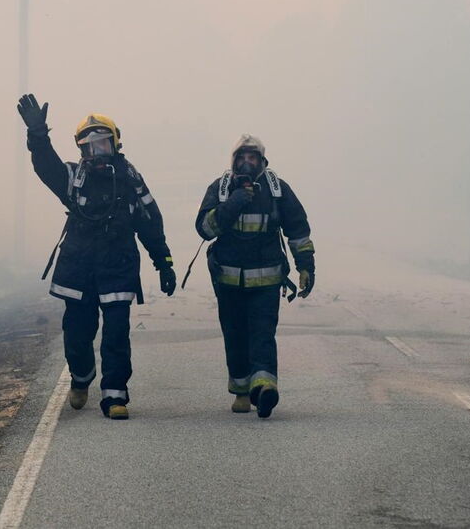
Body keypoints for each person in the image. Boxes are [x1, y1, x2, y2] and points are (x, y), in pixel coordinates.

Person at [16, 94, 176, 420]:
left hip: (118, 267)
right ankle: (81, 376)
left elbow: (150, 222)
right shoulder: (74, 178)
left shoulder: (131, 180)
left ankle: (115, 396)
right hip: (79, 269)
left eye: (103, 144)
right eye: (90, 147)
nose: (97, 151)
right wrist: (37, 135)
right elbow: (45, 166)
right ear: (81, 151)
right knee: (77, 330)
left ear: (115, 144)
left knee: (116, 333)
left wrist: (164, 262)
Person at [195, 134, 314, 419]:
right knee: (235, 336)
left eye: (252, 158)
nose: (247, 162)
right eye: (242, 157)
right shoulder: (221, 189)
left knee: (262, 334)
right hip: (228, 282)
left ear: (262, 162)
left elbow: (298, 230)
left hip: (267, 283)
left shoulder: (277, 190)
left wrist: (306, 266)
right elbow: (204, 228)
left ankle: (264, 387)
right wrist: (233, 203)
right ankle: (241, 390)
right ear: (234, 161)